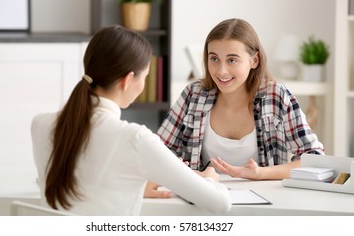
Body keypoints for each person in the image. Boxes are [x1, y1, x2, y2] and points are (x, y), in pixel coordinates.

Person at [31, 25, 231, 215]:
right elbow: (220, 203)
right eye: (145, 76)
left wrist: (137, 184)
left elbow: (79, 185)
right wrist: (210, 179)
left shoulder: (40, 124)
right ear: (127, 80)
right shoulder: (135, 138)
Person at [156, 18, 325, 182]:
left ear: (254, 60)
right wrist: (193, 174)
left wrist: (260, 173)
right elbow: (157, 153)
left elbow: (314, 159)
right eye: (214, 59)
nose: (222, 71)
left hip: (266, 201)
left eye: (232, 60)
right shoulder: (193, 95)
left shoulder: (276, 96)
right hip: (204, 199)